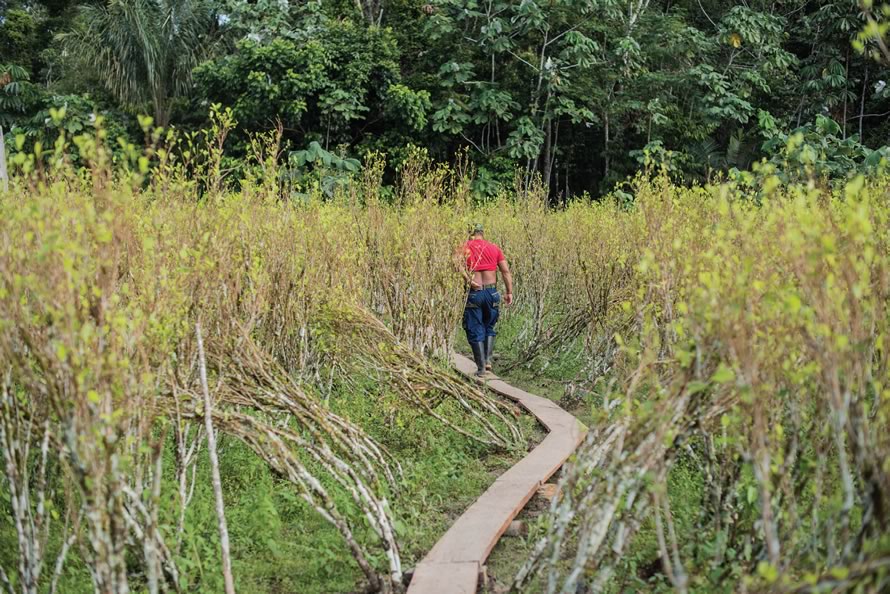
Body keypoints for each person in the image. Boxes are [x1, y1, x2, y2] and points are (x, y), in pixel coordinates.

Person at [459, 223, 514, 377]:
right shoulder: (494, 248)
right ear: (483, 233)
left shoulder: (465, 247)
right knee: (489, 326)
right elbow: (506, 271)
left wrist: (468, 279)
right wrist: (509, 292)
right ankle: (488, 360)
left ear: (470, 233)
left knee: (474, 328)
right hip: (492, 292)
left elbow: (456, 263)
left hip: (474, 293)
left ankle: (481, 367)